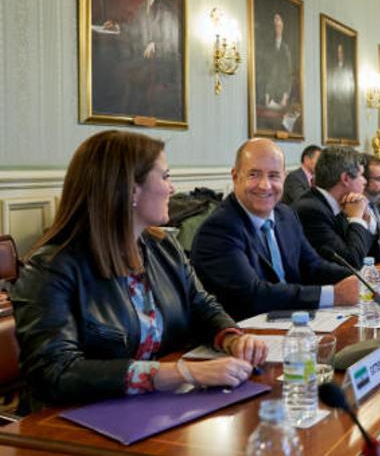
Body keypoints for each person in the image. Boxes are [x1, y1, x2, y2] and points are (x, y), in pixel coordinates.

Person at [11, 131, 268, 412]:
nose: (172, 189)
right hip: (69, 423)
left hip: (150, 409)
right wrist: (180, 373)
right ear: (131, 189)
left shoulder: (163, 246)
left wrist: (233, 339)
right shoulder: (51, 267)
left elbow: (201, 306)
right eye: (166, 177)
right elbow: (54, 373)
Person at [191, 139, 358, 321]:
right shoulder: (219, 229)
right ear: (235, 176)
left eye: (273, 176)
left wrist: (361, 279)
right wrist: (334, 295)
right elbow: (254, 296)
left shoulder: (285, 215)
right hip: (247, 335)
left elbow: (313, 266)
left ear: (284, 178)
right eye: (254, 174)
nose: (265, 185)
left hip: (294, 324)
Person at [101, 0, 181, 119]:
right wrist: (116, 27)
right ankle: (122, 116)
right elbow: (134, 30)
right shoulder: (141, 7)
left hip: (162, 64)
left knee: (127, 75)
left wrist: (156, 45)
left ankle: (129, 115)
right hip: (145, 61)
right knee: (119, 71)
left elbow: (174, 41)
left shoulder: (167, 8)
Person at [294, 146, 380, 268]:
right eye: (361, 175)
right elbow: (352, 263)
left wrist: (368, 221)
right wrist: (357, 219)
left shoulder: (345, 204)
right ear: (345, 179)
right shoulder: (311, 211)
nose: (364, 181)